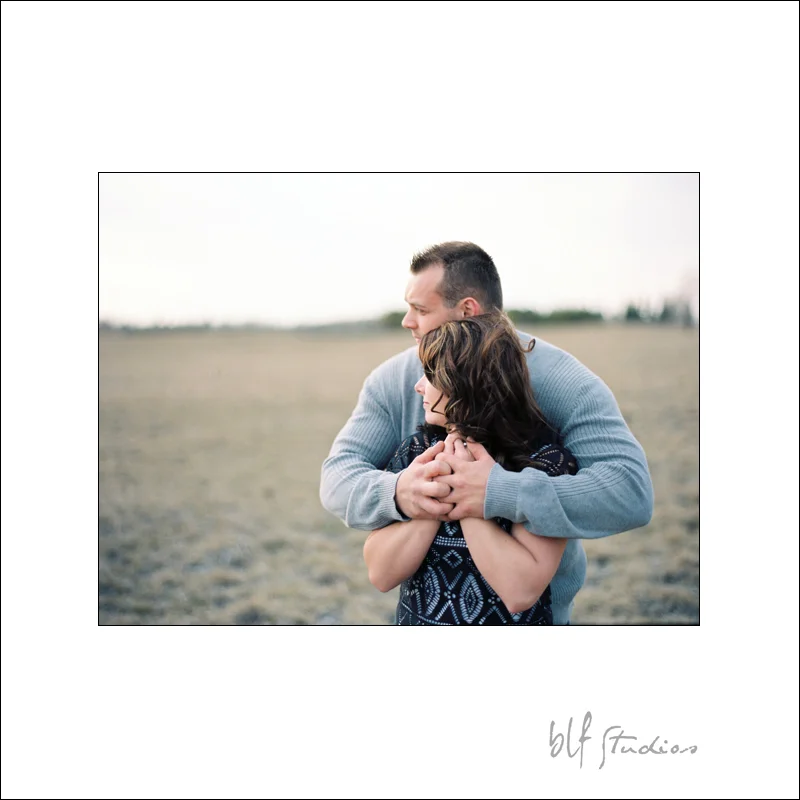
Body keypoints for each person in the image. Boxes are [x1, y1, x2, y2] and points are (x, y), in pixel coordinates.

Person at [320, 241, 654, 624]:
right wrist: (401, 492)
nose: (407, 322)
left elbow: (630, 492)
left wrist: (497, 492)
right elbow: (337, 477)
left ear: (467, 311)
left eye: (421, 310)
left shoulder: (566, 384)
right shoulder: (392, 383)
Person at [364, 312, 579, 624]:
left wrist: (470, 497)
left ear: (467, 381)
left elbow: (520, 591)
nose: (418, 386)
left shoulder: (542, 462)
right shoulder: (418, 452)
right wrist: (437, 492)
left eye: (430, 375)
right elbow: (380, 574)